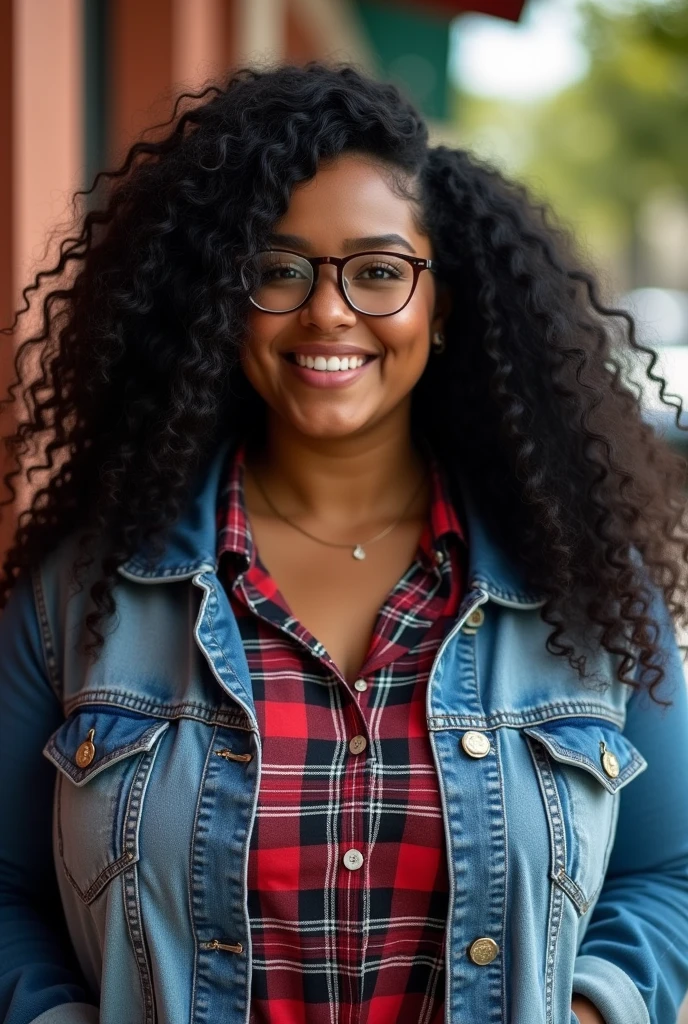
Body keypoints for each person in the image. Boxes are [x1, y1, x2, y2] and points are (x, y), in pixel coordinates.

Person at [0, 61, 687, 1024]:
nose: (328, 310)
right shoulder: (78, 595)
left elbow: (672, 872)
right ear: (220, 303)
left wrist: (590, 1009)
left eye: (378, 272)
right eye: (279, 270)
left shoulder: (584, 586)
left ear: (442, 305)